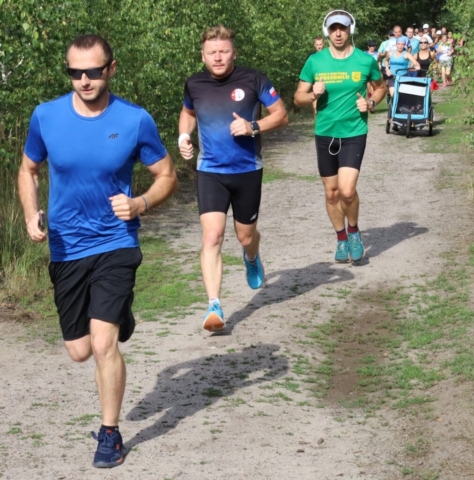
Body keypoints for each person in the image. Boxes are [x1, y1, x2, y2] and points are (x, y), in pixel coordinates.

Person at [18, 34, 178, 468]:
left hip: (115, 242)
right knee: (80, 350)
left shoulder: (134, 120)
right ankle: (119, 312)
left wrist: (141, 203)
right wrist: (31, 213)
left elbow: (167, 174)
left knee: (104, 343)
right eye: (75, 72)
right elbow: (29, 169)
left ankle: (110, 434)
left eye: (92, 71)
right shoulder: (46, 116)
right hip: (66, 246)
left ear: (111, 68)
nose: (84, 80)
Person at [178, 25, 288, 332]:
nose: (218, 57)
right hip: (210, 171)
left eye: (223, 51)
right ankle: (214, 305)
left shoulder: (254, 79)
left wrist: (253, 127)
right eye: (211, 52)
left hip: (247, 170)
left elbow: (281, 114)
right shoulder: (194, 84)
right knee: (212, 236)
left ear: (234, 53)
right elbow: (188, 113)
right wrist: (183, 137)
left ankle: (251, 257)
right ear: (202, 56)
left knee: (245, 236)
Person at [293, 10, 386, 263]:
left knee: (347, 190)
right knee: (332, 193)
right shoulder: (315, 61)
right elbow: (298, 98)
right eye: (333, 28)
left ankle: (353, 231)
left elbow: (380, 88)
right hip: (325, 133)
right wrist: (313, 94)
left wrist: (371, 102)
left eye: (342, 28)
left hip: (354, 131)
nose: (337, 33)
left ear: (349, 30)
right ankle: (341, 238)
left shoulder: (365, 60)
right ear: (327, 32)